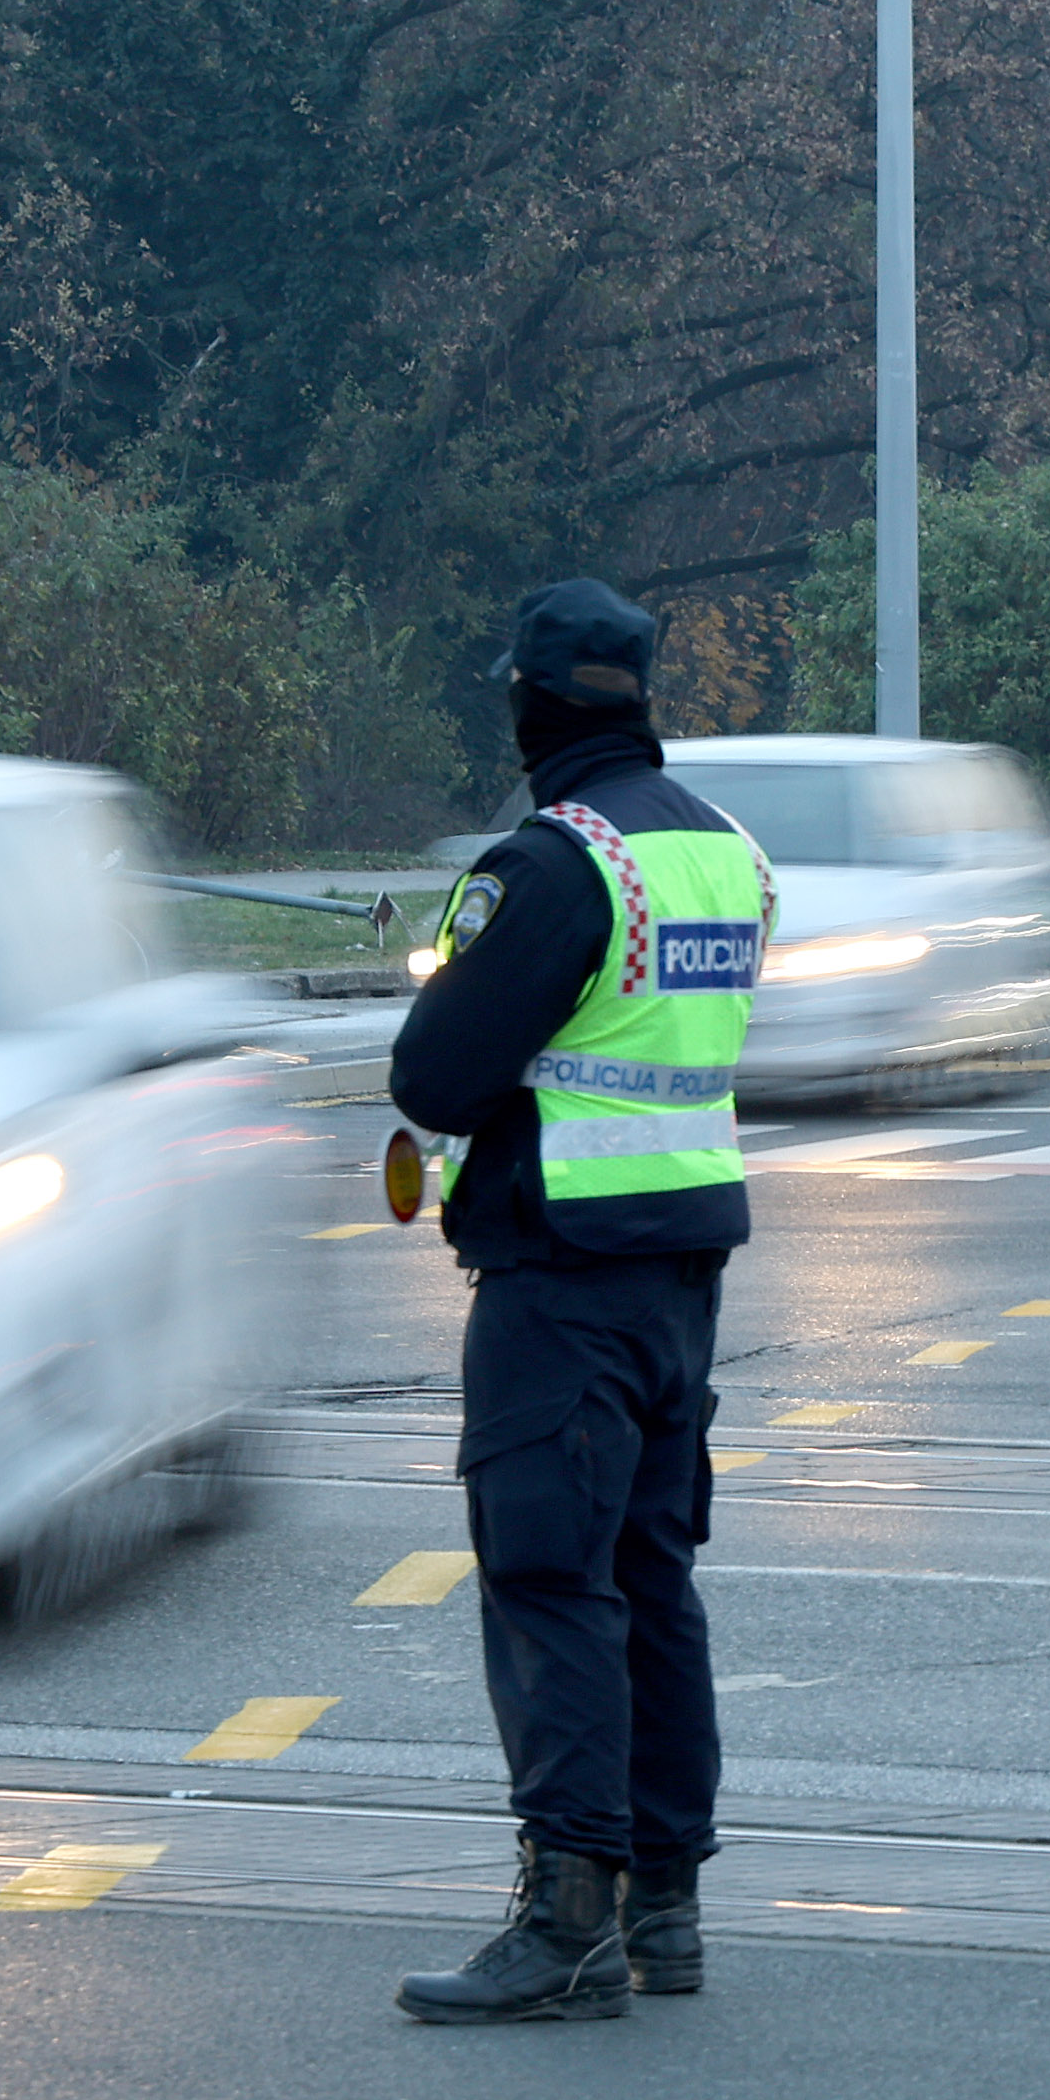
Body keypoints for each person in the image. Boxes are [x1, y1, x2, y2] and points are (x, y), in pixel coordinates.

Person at [387, 579, 770, 2023]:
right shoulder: (725, 855)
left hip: (562, 1284)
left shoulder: (559, 864)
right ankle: (665, 1911)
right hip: (682, 1281)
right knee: (653, 1582)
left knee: (552, 1586)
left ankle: (567, 1922)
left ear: (531, 703)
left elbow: (435, 1077)